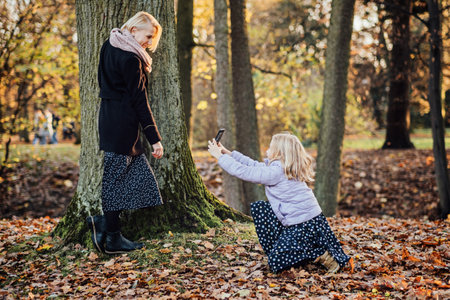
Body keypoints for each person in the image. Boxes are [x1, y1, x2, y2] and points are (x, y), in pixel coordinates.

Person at [207, 132, 350, 273]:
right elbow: (253, 165)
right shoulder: (281, 168)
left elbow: (246, 172)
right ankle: (297, 249)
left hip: (303, 224)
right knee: (261, 208)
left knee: (276, 261)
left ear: (279, 152)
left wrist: (219, 157)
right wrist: (226, 152)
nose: (267, 150)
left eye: (270, 147)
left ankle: (320, 254)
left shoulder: (277, 171)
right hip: (306, 220)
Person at [86, 11, 164, 254]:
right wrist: (155, 139)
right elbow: (140, 101)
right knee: (115, 181)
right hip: (122, 124)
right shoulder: (132, 59)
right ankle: (112, 238)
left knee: (136, 178)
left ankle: (103, 224)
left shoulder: (108, 45)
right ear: (133, 31)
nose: (149, 43)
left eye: (152, 39)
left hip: (109, 118)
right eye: (148, 36)